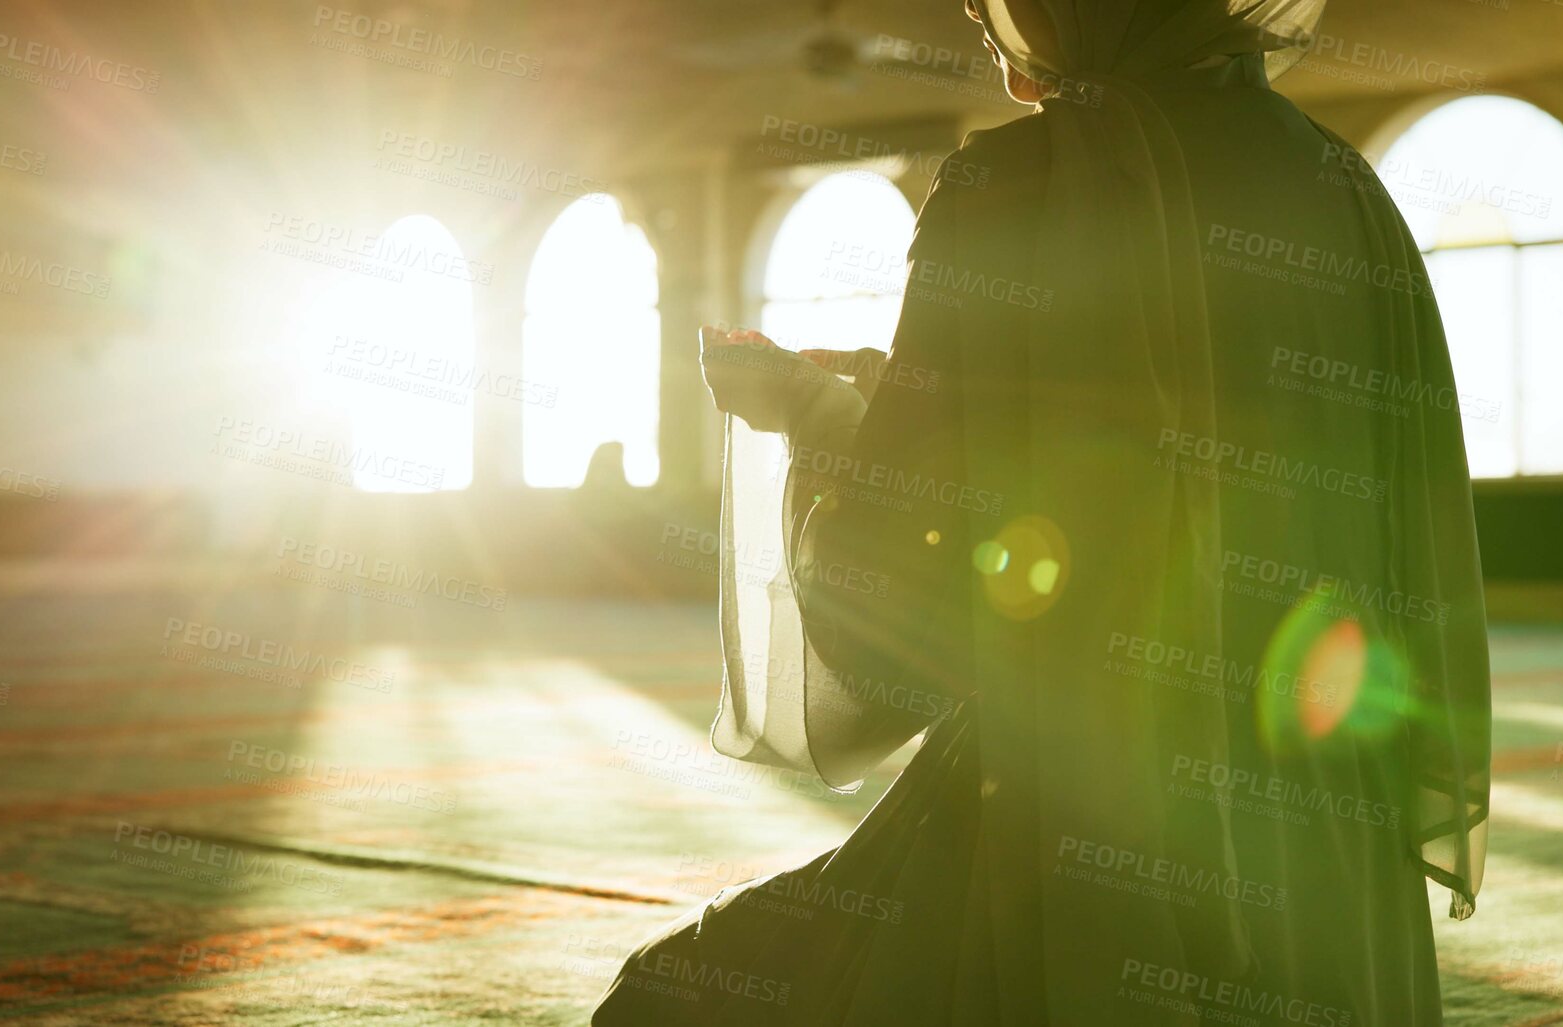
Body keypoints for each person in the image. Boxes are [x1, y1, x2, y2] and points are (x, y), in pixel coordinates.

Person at [595, 0, 1490, 1022]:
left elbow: (911, 597)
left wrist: (810, 415)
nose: (989, 19)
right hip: (1323, 828)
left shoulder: (1014, 181)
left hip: (1062, 817)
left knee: (667, 1002)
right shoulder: (1344, 188)